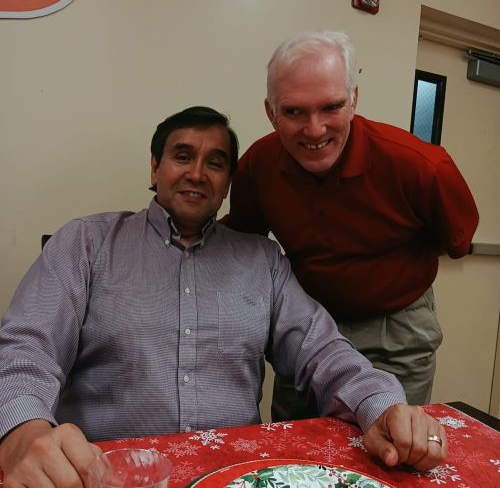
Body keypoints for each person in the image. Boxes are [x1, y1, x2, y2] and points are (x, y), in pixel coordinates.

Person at [0, 106, 447, 487]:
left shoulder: (262, 260)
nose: (197, 173)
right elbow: (27, 348)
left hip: (235, 476)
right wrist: (24, 430)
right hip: (108, 475)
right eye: (182, 156)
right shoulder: (86, 244)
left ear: (228, 181)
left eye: (215, 163)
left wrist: (381, 406)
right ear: (154, 168)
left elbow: (323, 351)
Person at [223, 31, 479, 419]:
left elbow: (455, 240)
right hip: (305, 326)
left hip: (396, 330)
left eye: (331, 107)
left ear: (354, 99)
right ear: (271, 113)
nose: (314, 130)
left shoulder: (420, 166)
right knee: (295, 445)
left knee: (393, 444)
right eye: (293, 112)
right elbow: (242, 242)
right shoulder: (259, 165)